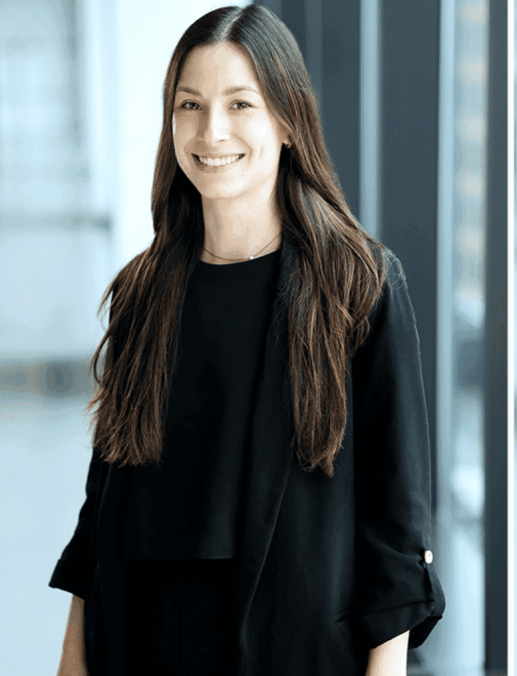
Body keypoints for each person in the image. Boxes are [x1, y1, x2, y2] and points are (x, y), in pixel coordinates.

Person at [51, 6, 443, 675]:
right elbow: (103, 504)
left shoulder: (359, 286)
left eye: (241, 104)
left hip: (292, 645)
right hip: (141, 638)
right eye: (190, 105)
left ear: (288, 121)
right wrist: (71, 660)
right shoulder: (142, 292)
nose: (212, 131)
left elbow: (396, 527)